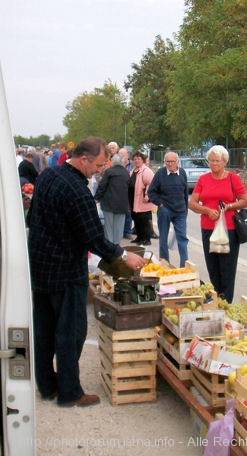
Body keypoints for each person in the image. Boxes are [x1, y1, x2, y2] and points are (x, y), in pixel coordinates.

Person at [28, 137, 147, 407]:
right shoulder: (76, 189)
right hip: (66, 270)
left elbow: (33, 216)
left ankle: (47, 385)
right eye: (97, 164)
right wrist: (123, 255)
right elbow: (93, 235)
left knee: (44, 329)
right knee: (71, 332)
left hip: (40, 266)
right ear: (83, 159)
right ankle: (70, 392)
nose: (99, 169)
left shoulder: (48, 174)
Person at [189, 145, 247, 303]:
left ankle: (226, 303)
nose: (214, 164)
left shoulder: (233, 179)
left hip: (228, 229)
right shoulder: (203, 179)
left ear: (224, 162)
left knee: (227, 269)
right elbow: (192, 203)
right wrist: (206, 210)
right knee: (213, 268)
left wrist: (229, 206)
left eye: (218, 161)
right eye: (211, 160)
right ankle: (216, 300)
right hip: (208, 228)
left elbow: (245, 201)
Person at [147, 152, 190, 266]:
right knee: (163, 238)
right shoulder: (160, 174)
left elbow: (185, 192)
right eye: (167, 162)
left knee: (182, 239)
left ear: (177, 162)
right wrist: (160, 203)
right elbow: (151, 191)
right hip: (165, 210)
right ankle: (165, 264)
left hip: (180, 211)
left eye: (172, 161)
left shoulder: (182, 173)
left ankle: (184, 266)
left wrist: (186, 208)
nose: (170, 164)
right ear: (164, 162)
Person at [94, 153, 131, 244]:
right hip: (122, 205)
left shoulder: (109, 172)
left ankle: (109, 246)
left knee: (108, 227)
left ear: (112, 162)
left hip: (108, 204)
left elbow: (102, 186)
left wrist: (97, 198)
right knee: (119, 227)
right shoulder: (126, 173)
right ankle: (117, 245)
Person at [129, 151, 156, 246]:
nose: (136, 161)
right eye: (135, 159)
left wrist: (148, 196)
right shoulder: (133, 170)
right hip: (134, 200)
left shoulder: (146, 171)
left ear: (143, 160)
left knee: (144, 220)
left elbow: (151, 184)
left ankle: (146, 239)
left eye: (138, 159)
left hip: (143, 200)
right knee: (137, 219)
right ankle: (139, 237)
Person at [118, 147, 135, 239]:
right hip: (119, 191)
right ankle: (119, 231)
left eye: (123, 155)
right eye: (120, 155)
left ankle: (127, 232)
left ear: (127, 155)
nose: (122, 157)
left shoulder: (132, 165)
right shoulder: (117, 164)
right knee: (119, 212)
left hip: (130, 191)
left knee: (128, 212)